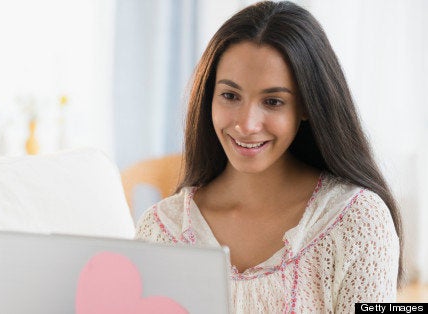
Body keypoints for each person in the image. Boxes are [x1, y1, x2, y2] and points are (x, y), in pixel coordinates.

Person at [135, 1, 402, 312]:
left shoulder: (358, 221)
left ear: (305, 106)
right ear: (209, 97)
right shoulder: (160, 230)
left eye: (273, 101)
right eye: (230, 96)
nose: (246, 124)